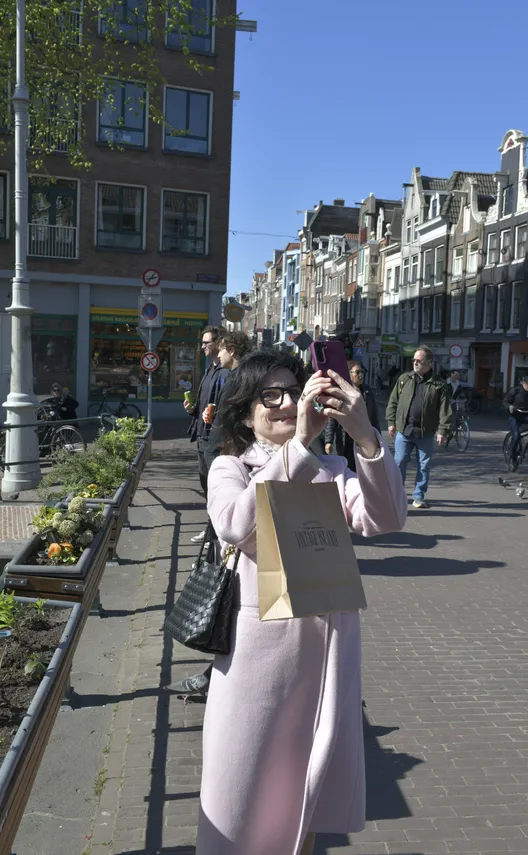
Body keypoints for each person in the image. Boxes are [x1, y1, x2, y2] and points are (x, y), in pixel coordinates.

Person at [194, 350, 406, 855]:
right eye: (270, 395)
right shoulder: (231, 467)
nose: (288, 403)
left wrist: (366, 438)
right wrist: (298, 448)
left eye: (294, 391)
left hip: (327, 660)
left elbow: (386, 517)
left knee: (307, 800)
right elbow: (238, 526)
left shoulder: (331, 468)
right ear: (246, 412)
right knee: (247, 799)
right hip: (260, 668)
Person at [167, 330, 251, 699]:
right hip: (222, 453)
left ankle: (220, 678)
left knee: (238, 603)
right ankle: (218, 675)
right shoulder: (219, 373)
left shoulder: (239, 377)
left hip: (228, 459)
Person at [386, 345, 452, 509]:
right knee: (399, 462)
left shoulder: (439, 384)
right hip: (405, 430)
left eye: (418, 360)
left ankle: (418, 496)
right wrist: (391, 422)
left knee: (424, 466)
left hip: (426, 433)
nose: (415, 363)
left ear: (428, 363)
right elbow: (393, 401)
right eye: (413, 360)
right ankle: (397, 494)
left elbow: (445, 410)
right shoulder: (404, 379)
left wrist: (442, 431)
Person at [184, 326, 229, 542]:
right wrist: (193, 410)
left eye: (206, 343)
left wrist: (214, 413)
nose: (202, 346)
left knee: (217, 487)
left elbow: (225, 405)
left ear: (218, 343)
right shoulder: (210, 369)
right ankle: (212, 529)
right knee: (206, 485)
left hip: (216, 439)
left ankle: (217, 532)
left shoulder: (226, 372)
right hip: (203, 436)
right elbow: (206, 403)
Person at [324, 361, 380, 468]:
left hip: (363, 440)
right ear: (348, 374)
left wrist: (378, 437)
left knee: (364, 468)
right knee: (346, 467)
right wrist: (328, 441)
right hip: (346, 440)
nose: (361, 375)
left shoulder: (367, 391)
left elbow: (373, 416)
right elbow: (332, 418)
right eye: (357, 372)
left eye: (362, 372)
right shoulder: (341, 393)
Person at [504, 376, 528, 465]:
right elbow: (505, 402)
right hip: (514, 416)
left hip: (526, 416)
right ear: (523, 383)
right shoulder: (515, 391)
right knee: (516, 435)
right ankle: (512, 454)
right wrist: (509, 406)